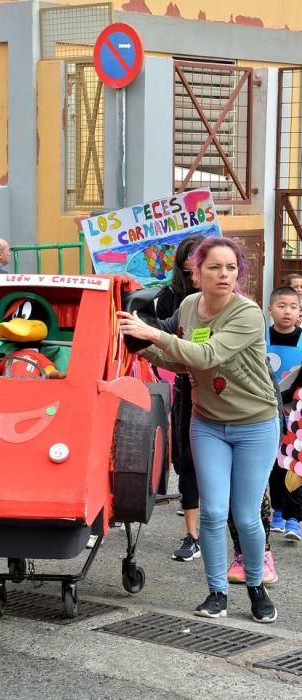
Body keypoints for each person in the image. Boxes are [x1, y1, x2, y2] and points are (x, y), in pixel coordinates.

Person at [118, 236, 280, 624]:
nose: (224, 275)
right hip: (207, 423)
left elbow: (208, 354)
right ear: (196, 272)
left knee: (244, 516)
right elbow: (183, 363)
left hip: (255, 424)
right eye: (214, 267)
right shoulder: (190, 307)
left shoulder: (247, 313)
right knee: (211, 513)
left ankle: (256, 587)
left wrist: (155, 334)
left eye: (230, 268)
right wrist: (138, 343)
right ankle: (216, 593)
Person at [155, 234, 204, 562]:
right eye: (188, 273)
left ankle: (248, 544)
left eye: (201, 268)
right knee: (185, 459)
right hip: (186, 384)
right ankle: (193, 535)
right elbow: (156, 329)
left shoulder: (237, 306)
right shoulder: (175, 298)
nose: (195, 278)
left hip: (225, 394)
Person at [266, 285, 302, 541]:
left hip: (297, 414)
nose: (287, 312)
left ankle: (294, 518)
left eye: (293, 307)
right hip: (267, 410)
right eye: (281, 306)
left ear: (299, 312)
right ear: (270, 310)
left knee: (296, 465)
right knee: (272, 465)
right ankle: (277, 510)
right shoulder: (261, 338)